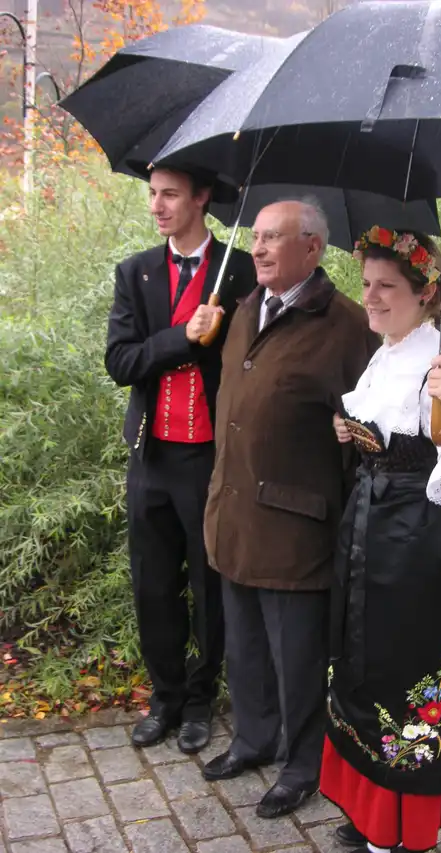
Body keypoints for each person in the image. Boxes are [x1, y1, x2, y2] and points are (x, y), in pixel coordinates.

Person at [320, 226, 441, 853]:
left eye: (387, 288)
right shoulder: (388, 351)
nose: (369, 298)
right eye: (367, 283)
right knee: (366, 669)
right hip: (373, 535)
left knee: (407, 676)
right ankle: (373, 807)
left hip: (425, 551)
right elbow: (394, 439)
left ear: (427, 292)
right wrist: (359, 436)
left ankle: (405, 826)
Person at [201, 199, 380, 819]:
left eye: (273, 238)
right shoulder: (247, 306)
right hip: (234, 513)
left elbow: (372, 425)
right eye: (256, 237)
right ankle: (253, 739)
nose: (258, 248)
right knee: (244, 643)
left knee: (297, 657)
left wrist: (348, 429)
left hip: (298, 523)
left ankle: (304, 764)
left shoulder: (348, 324)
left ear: (312, 248)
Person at [104, 167, 255, 753]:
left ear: (201, 198)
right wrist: (181, 338)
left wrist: (219, 339)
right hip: (153, 456)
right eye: (152, 194)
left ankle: (199, 699)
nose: (157, 206)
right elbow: (120, 361)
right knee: (153, 586)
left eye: (169, 194)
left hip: (212, 458)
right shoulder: (135, 272)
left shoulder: (239, 271)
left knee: (210, 585)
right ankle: (164, 696)